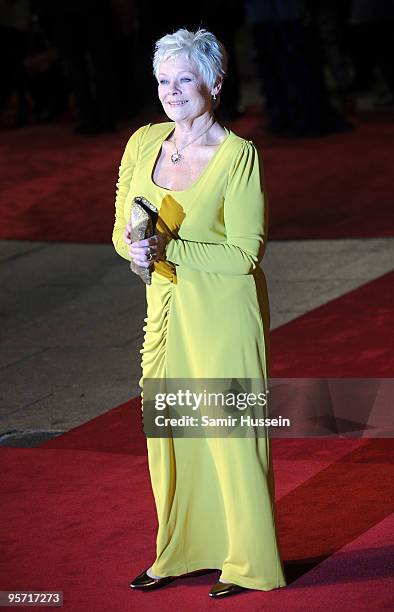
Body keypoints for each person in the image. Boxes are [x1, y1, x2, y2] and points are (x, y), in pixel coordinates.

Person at [112, 28, 287, 599]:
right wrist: (136, 249)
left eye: (185, 78)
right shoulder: (143, 143)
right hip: (164, 309)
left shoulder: (239, 157)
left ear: (214, 80)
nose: (172, 91)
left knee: (232, 441)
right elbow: (121, 230)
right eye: (163, 80)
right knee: (172, 438)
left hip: (224, 314)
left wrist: (168, 249)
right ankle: (178, 551)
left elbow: (243, 255)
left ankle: (249, 562)